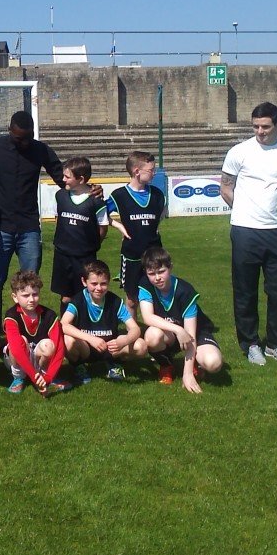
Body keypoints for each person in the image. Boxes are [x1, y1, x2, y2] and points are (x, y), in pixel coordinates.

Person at [219, 102, 277, 366]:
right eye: (255, 126)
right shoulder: (239, 152)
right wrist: (244, 212)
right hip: (245, 232)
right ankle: (251, 343)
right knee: (245, 291)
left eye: (265, 126)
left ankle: (276, 344)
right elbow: (225, 187)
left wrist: (270, 211)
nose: (260, 132)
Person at [0, 111, 66, 329]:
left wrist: (86, 187)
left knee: (30, 285)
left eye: (27, 137)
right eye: (18, 137)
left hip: (29, 228)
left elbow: (62, 177)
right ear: (9, 131)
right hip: (1, 226)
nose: (23, 142)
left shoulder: (40, 150)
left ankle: (29, 331)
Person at [138, 247, 223, 394]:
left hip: (195, 333)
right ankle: (166, 365)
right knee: (151, 336)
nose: (157, 277)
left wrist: (187, 374)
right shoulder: (145, 284)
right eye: (151, 273)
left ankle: (195, 363)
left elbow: (191, 336)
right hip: (175, 332)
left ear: (170, 268)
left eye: (161, 271)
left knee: (213, 363)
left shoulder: (185, 291)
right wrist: (178, 329)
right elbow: (147, 317)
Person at [62, 260, 147, 384]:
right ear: (84, 282)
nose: (99, 288)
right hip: (86, 347)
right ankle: (79, 366)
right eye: (94, 283)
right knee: (67, 340)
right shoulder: (78, 300)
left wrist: (123, 341)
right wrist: (91, 339)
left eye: (103, 284)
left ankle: (114, 363)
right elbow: (63, 324)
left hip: (110, 348)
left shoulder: (115, 301)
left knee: (141, 346)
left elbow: (135, 329)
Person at [105, 151, 167, 319]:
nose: (154, 173)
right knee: (132, 299)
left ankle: (159, 333)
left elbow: (158, 217)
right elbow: (101, 213)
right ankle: (133, 334)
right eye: (151, 170)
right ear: (137, 171)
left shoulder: (157, 195)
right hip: (132, 254)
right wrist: (119, 226)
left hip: (155, 252)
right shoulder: (119, 195)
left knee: (158, 295)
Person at [50, 156, 109, 311]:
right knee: (65, 296)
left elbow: (103, 227)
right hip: (63, 254)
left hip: (85, 256)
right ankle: (65, 328)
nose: (63, 180)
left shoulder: (96, 201)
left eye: (67, 177)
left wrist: (91, 244)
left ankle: (86, 327)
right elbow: (59, 219)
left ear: (81, 179)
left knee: (85, 293)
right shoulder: (61, 196)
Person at [3, 270, 70, 396]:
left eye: (35, 294)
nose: (31, 299)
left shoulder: (49, 315)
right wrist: (33, 377)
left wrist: (48, 378)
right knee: (19, 341)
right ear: (15, 297)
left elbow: (60, 348)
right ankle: (19, 377)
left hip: (39, 359)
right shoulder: (11, 316)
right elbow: (17, 350)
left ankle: (45, 375)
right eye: (25, 295)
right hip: (17, 359)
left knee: (49, 345)